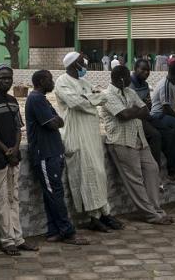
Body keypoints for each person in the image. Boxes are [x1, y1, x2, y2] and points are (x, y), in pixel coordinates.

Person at [55, 51, 124, 233]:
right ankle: (93, 217)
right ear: (72, 65)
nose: (84, 64)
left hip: (92, 135)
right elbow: (75, 102)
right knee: (86, 175)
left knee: (99, 173)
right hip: (76, 135)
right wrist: (93, 99)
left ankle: (105, 213)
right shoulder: (62, 81)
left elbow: (102, 97)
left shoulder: (84, 82)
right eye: (80, 62)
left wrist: (91, 98)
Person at [101, 65, 174, 224]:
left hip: (139, 139)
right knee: (135, 179)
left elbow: (145, 111)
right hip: (122, 141)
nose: (130, 79)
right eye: (128, 77)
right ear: (121, 79)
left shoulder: (130, 92)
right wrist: (134, 111)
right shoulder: (106, 95)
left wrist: (132, 112)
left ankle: (157, 209)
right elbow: (123, 115)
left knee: (152, 169)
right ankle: (151, 215)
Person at [0, 65, 38, 255]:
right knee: (2, 200)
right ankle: (7, 241)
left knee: (14, 198)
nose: (6, 81)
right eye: (3, 78)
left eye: (9, 78)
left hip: (12, 157)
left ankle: (18, 239)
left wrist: (14, 149)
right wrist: (6, 151)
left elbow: (18, 129)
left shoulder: (13, 101)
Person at [25, 70, 89, 245]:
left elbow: (60, 121)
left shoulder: (42, 99)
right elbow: (54, 123)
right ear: (41, 81)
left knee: (51, 194)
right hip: (45, 155)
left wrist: (56, 121)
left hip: (53, 152)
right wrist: (55, 121)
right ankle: (67, 232)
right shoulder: (36, 99)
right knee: (55, 194)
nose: (52, 82)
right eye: (50, 80)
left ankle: (55, 231)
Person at [130, 59, 175, 182]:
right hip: (135, 119)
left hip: (146, 116)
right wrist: (143, 107)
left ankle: (173, 169)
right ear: (135, 69)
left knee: (168, 131)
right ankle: (154, 174)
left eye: (148, 70)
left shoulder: (145, 85)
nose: (146, 72)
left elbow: (148, 106)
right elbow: (132, 108)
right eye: (143, 69)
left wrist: (145, 106)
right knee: (155, 135)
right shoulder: (130, 84)